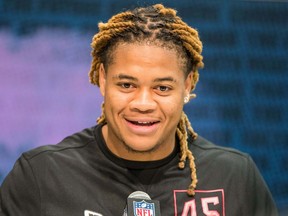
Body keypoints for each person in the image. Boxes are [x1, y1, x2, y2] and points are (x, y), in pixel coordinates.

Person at [0, 4, 278, 216]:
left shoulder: (235, 176)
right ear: (102, 78)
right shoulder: (40, 176)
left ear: (188, 85)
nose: (143, 104)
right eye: (126, 84)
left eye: (162, 88)